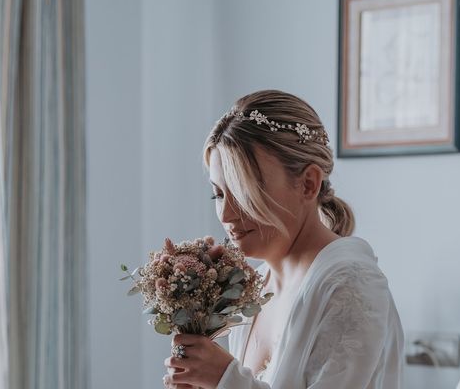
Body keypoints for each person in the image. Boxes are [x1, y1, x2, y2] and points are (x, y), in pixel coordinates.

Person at [163, 89, 404, 389]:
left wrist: (226, 379)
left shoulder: (352, 284)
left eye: (242, 191)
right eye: (219, 193)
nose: (225, 214)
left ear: (308, 184)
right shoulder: (256, 286)